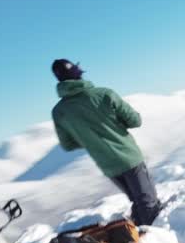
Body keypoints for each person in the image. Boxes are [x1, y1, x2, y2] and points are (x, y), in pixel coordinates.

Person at [50, 59, 163, 226]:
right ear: (77, 73)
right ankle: (150, 242)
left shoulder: (59, 112)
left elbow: (68, 145)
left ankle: (137, 236)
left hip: (107, 165)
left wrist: (89, 138)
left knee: (138, 203)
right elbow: (135, 121)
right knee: (149, 205)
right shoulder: (104, 95)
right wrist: (113, 127)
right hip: (129, 158)